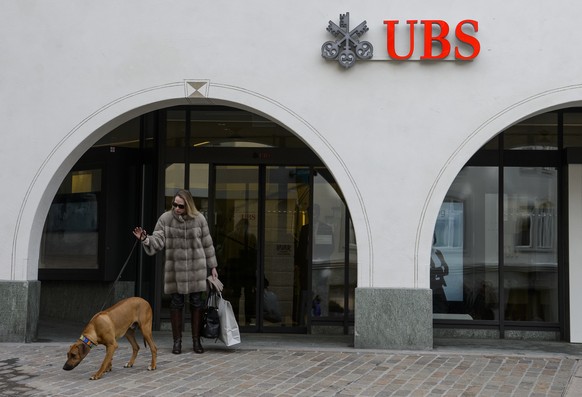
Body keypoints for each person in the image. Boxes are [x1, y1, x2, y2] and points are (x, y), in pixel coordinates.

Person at [132, 189, 218, 355]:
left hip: (196, 269)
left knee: (197, 304)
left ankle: (195, 341)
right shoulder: (165, 219)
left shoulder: (199, 219)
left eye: (180, 206)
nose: (177, 208)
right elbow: (157, 239)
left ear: (188, 205)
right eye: (174, 204)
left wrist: (213, 266)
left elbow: (208, 243)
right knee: (176, 303)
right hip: (176, 270)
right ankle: (177, 342)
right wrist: (145, 239)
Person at [221, 218, 257, 325]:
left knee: (235, 295)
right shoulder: (251, 237)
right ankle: (248, 319)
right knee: (248, 295)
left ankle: (235, 318)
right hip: (246, 269)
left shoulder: (230, 237)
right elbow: (255, 254)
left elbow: (223, 253)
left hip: (233, 268)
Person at [430, 233, 449, 313]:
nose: (431, 240)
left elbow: (446, 269)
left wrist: (437, 271)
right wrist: (438, 270)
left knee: (443, 308)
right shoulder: (423, 254)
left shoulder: (437, 252)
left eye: (432, 238)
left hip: (439, 286)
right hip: (430, 287)